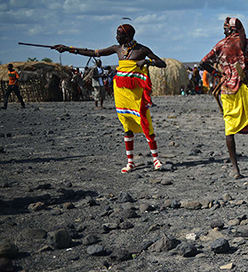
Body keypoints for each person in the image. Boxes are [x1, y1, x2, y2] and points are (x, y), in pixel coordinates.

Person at [53, 23, 166, 172]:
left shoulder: (142, 50)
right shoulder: (117, 49)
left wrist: (147, 61)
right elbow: (93, 53)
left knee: (145, 123)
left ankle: (156, 160)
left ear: (128, 36)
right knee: (126, 125)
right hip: (120, 92)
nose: (116, 37)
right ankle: (130, 162)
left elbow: (162, 63)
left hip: (135, 94)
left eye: (119, 35)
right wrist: (68, 49)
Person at [200, 17, 248, 179]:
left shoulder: (221, 45)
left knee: (229, 129)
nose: (223, 31)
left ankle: (236, 170)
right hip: (245, 89)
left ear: (230, 30)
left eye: (225, 28)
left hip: (227, 91)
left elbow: (203, 63)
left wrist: (220, 74)